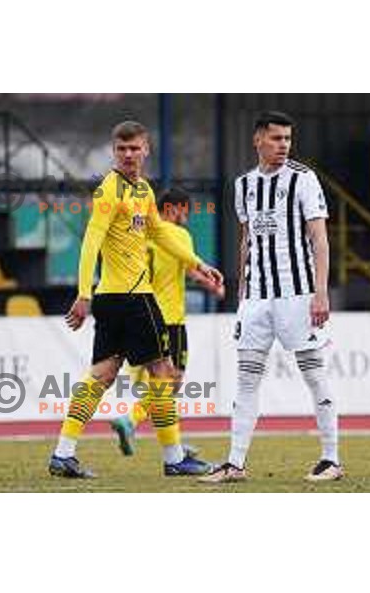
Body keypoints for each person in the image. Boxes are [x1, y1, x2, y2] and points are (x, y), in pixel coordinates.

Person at [48, 120, 223, 478]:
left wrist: (198, 263)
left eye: (134, 148)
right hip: (133, 298)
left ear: (146, 150)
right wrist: (83, 294)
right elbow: (90, 242)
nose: (128, 154)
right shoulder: (109, 191)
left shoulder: (142, 190)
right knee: (164, 372)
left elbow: (160, 233)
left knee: (102, 374)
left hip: (116, 300)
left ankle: (63, 453)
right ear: (115, 151)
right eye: (121, 149)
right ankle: (175, 458)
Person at [200, 111, 343, 484]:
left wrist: (320, 292)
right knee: (247, 379)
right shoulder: (244, 184)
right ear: (258, 140)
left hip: (298, 294)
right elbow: (246, 240)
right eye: (277, 138)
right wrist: (243, 295)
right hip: (257, 298)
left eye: (288, 139)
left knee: (314, 374)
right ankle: (235, 464)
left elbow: (319, 239)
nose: (284, 145)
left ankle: (331, 459)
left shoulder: (303, 179)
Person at [110, 189, 225, 460]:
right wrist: (214, 286)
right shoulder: (179, 235)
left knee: (163, 384)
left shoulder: (145, 232)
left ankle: (174, 444)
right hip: (170, 319)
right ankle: (131, 419)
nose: (187, 218)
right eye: (186, 211)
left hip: (143, 315)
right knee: (171, 383)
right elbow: (192, 269)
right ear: (173, 208)